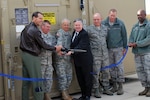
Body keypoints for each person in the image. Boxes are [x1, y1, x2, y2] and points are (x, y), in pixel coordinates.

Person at [20, 11, 62, 100]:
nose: (41, 20)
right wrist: (55, 49)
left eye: (42, 19)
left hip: (25, 55)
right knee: (37, 81)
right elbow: (43, 45)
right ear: (34, 18)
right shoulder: (35, 30)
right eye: (40, 18)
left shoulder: (26, 28)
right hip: (32, 56)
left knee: (26, 82)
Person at [86, 13, 113, 98]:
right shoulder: (89, 29)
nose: (96, 21)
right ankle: (96, 89)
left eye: (98, 19)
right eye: (94, 19)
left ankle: (106, 88)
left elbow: (107, 40)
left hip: (104, 54)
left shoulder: (105, 28)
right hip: (95, 55)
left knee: (106, 72)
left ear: (101, 19)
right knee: (95, 73)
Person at [102, 9, 127, 95]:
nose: (112, 17)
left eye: (114, 15)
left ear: (116, 15)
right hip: (109, 49)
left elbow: (124, 35)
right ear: (108, 14)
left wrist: (125, 47)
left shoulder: (120, 23)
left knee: (119, 67)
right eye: (111, 15)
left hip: (118, 48)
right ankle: (115, 85)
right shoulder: (104, 23)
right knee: (111, 68)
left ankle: (120, 86)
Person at [68, 19, 93, 100]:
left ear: (82, 25)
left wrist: (72, 52)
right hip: (77, 60)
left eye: (79, 25)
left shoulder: (84, 34)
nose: (77, 26)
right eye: (76, 25)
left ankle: (88, 95)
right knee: (80, 78)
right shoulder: (74, 33)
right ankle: (83, 94)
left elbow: (81, 46)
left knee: (87, 78)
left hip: (85, 60)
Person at [128, 9, 150, 97]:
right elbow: (131, 37)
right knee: (140, 71)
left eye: (140, 15)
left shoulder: (148, 25)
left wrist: (137, 44)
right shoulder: (135, 26)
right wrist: (130, 43)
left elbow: (148, 39)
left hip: (146, 53)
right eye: (137, 15)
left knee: (147, 71)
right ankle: (146, 88)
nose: (139, 17)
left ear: (145, 15)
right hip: (137, 53)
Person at [55, 18, 73, 100]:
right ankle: (64, 94)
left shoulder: (69, 33)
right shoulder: (60, 33)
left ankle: (66, 92)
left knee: (69, 76)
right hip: (60, 60)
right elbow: (59, 44)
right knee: (62, 77)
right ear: (62, 25)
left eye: (67, 25)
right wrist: (62, 50)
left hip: (68, 59)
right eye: (64, 25)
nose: (66, 26)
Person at [39, 20, 56, 100]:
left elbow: (54, 47)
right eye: (47, 27)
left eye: (49, 27)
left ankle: (47, 95)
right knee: (40, 81)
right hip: (40, 63)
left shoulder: (51, 37)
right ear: (42, 26)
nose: (49, 29)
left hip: (49, 63)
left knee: (49, 80)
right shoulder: (38, 36)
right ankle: (40, 96)